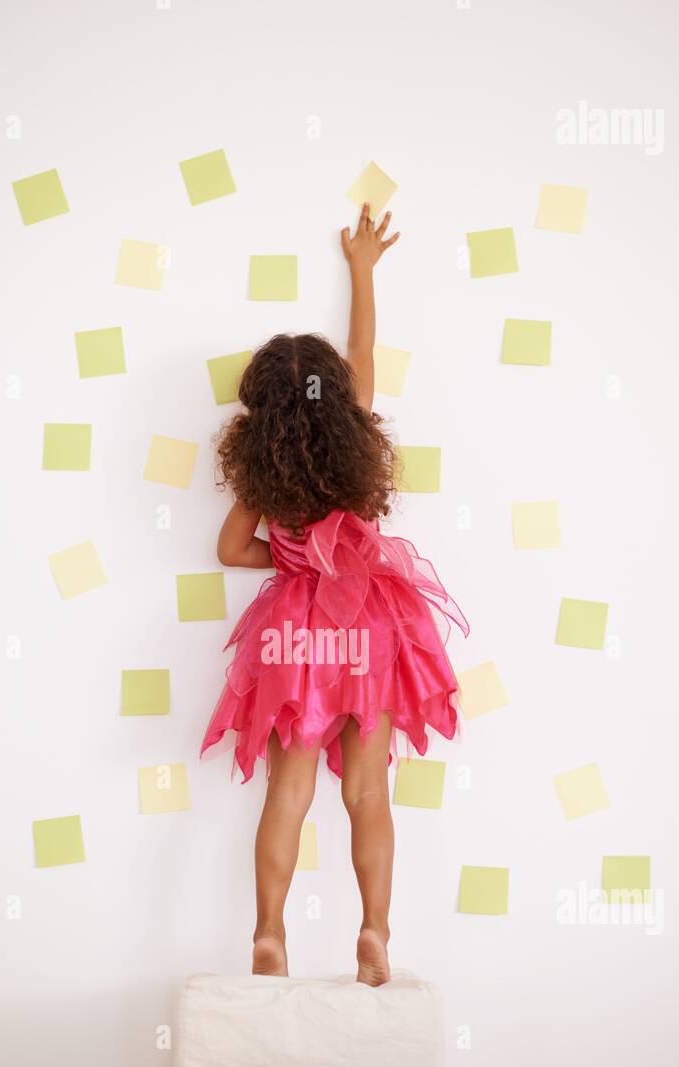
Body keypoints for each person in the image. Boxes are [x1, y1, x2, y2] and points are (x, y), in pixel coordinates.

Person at [201, 203, 469, 985]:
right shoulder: (353, 434)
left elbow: (227, 549)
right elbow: (360, 349)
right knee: (365, 789)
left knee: (287, 792)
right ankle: (376, 932)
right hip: (371, 628)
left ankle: (268, 934)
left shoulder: (259, 477)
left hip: (295, 634)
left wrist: (290, 561)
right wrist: (361, 265)